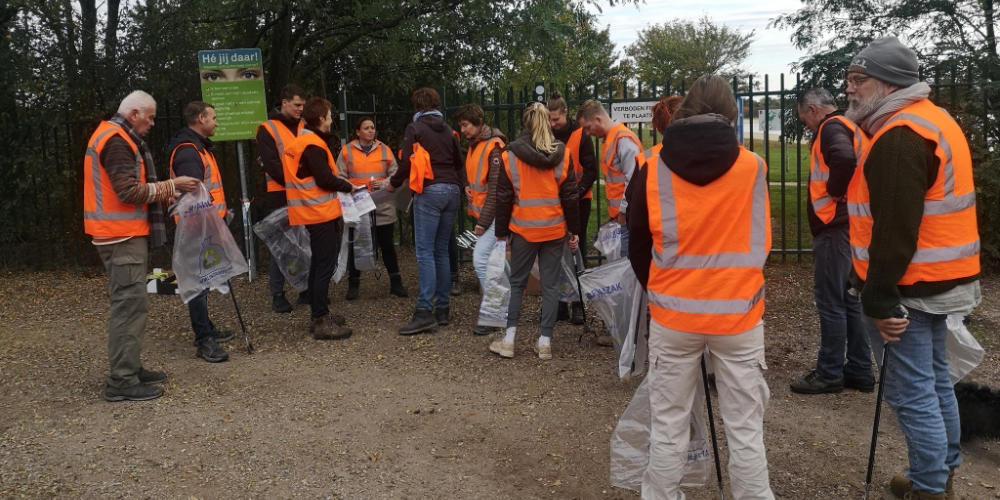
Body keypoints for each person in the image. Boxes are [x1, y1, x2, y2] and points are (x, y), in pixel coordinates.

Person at [626, 74, 774, 498]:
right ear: (731, 114)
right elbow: (761, 239)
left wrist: (659, 288)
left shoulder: (650, 166)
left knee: (668, 424)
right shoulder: (753, 166)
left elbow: (637, 242)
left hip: (674, 315)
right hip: (739, 314)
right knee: (745, 427)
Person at [845, 37, 981, 500]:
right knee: (935, 380)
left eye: (859, 79)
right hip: (936, 280)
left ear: (889, 84)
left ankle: (929, 485)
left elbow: (895, 228)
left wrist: (878, 294)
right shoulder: (929, 120)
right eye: (849, 78)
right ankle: (939, 473)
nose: (850, 88)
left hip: (911, 288)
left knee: (911, 391)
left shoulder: (901, 134)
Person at [83, 90, 200, 401]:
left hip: (120, 234)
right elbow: (127, 191)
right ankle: (122, 380)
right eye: (149, 118)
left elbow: (128, 189)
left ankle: (130, 368)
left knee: (132, 304)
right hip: (120, 237)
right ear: (134, 114)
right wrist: (170, 186)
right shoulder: (118, 140)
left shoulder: (113, 135)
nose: (151, 123)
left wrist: (163, 192)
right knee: (129, 306)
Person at [789, 88, 873, 394]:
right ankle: (860, 369)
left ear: (812, 109)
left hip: (834, 226)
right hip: (850, 224)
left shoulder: (831, 127)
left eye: (803, 118)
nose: (806, 125)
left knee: (830, 300)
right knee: (848, 298)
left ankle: (829, 373)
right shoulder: (851, 125)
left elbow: (844, 160)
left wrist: (836, 193)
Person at [491, 102, 580, 360]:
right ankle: (544, 343)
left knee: (517, 284)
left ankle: (508, 340)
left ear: (525, 124)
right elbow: (571, 195)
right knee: (551, 286)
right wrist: (573, 229)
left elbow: (503, 197)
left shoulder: (509, 156)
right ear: (547, 123)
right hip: (553, 229)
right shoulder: (563, 153)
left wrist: (500, 233)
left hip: (523, 229)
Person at [387, 88, 464, 335]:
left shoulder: (416, 128)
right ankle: (442, 308)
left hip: (430, 191)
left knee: (425, 252)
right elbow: (458, 162)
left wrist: (393, 183)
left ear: (418, 107)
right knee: (441, 250)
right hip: (452, 190)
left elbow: (407, 161)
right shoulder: (449, 130)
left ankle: (423, 312)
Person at [282, 96, 356, 340]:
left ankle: (319, 313)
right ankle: (320, 320)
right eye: (330, 115)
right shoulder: (313, 144)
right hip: (319, 213)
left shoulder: (302, 140)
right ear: (322, 118)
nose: (332, 119)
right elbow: (324, 179)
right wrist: (349, 186)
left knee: (318, 265)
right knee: (324, 266)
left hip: (309, 211)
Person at [167, 101, 234, 363]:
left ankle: (206, 328)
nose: (216, 122)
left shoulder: (198, 148)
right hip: (197, 227)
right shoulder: (188, 151)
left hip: (207, 224)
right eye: (213, 117)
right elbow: (192, 195)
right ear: (200, 118)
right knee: (197, 282)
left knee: (204, 278)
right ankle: (203, 338)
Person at [337, 116, 408, 300]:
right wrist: (353, 188)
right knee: (357, 244)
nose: (371, 130)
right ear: (357, 131)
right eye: (367, 128)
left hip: (382, 204)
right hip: (358, 204)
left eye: (372, 127)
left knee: (387, 245)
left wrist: (384, 183)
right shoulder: (347, 152)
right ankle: (353, 284)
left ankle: (396, 282)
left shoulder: (384, 149)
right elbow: (339, 175)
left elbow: (395, 173)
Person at [454, 103, 507, 335]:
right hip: (486, 214)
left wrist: (483, 222)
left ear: (476, 123)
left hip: (492, 216)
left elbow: (496, 191)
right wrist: (467, 187)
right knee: (498, 264)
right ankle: (504, 306)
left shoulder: (494, 147)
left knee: (481, 260)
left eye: (465, 125)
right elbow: (480, 181)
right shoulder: (477, 145)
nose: (463, 130)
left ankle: (495, 314)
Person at [256, 84, 307, 313]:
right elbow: (272, 164)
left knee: (305, 241)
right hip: (280, 193)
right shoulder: (267, 129)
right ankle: (277, 294)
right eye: (297, 105)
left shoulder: (305, 126)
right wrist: (298, 181)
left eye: (303, 106)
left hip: (305, 193)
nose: (300, 109)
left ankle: (306, 289)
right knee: (283, 245)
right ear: (284, 102)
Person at [547, 91, 596, 326]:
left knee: (576, 250)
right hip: (554, 200)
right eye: (549, 119)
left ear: (565, 112)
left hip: (579, 200)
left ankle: (577, 303)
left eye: (555, 119)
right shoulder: (546, 134)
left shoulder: (580, 134)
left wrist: (577, 191)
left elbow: (591, 169)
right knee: (554, 250)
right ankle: (559, 303)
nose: (552, 124)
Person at [575, 99, 643, 227]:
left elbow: (634, 181)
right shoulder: (612, 138)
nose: (588, 133)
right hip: (622, 217)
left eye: (588, 127)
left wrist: (622, 213)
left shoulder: (623, 139)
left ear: (598, 120)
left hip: (629, 217)